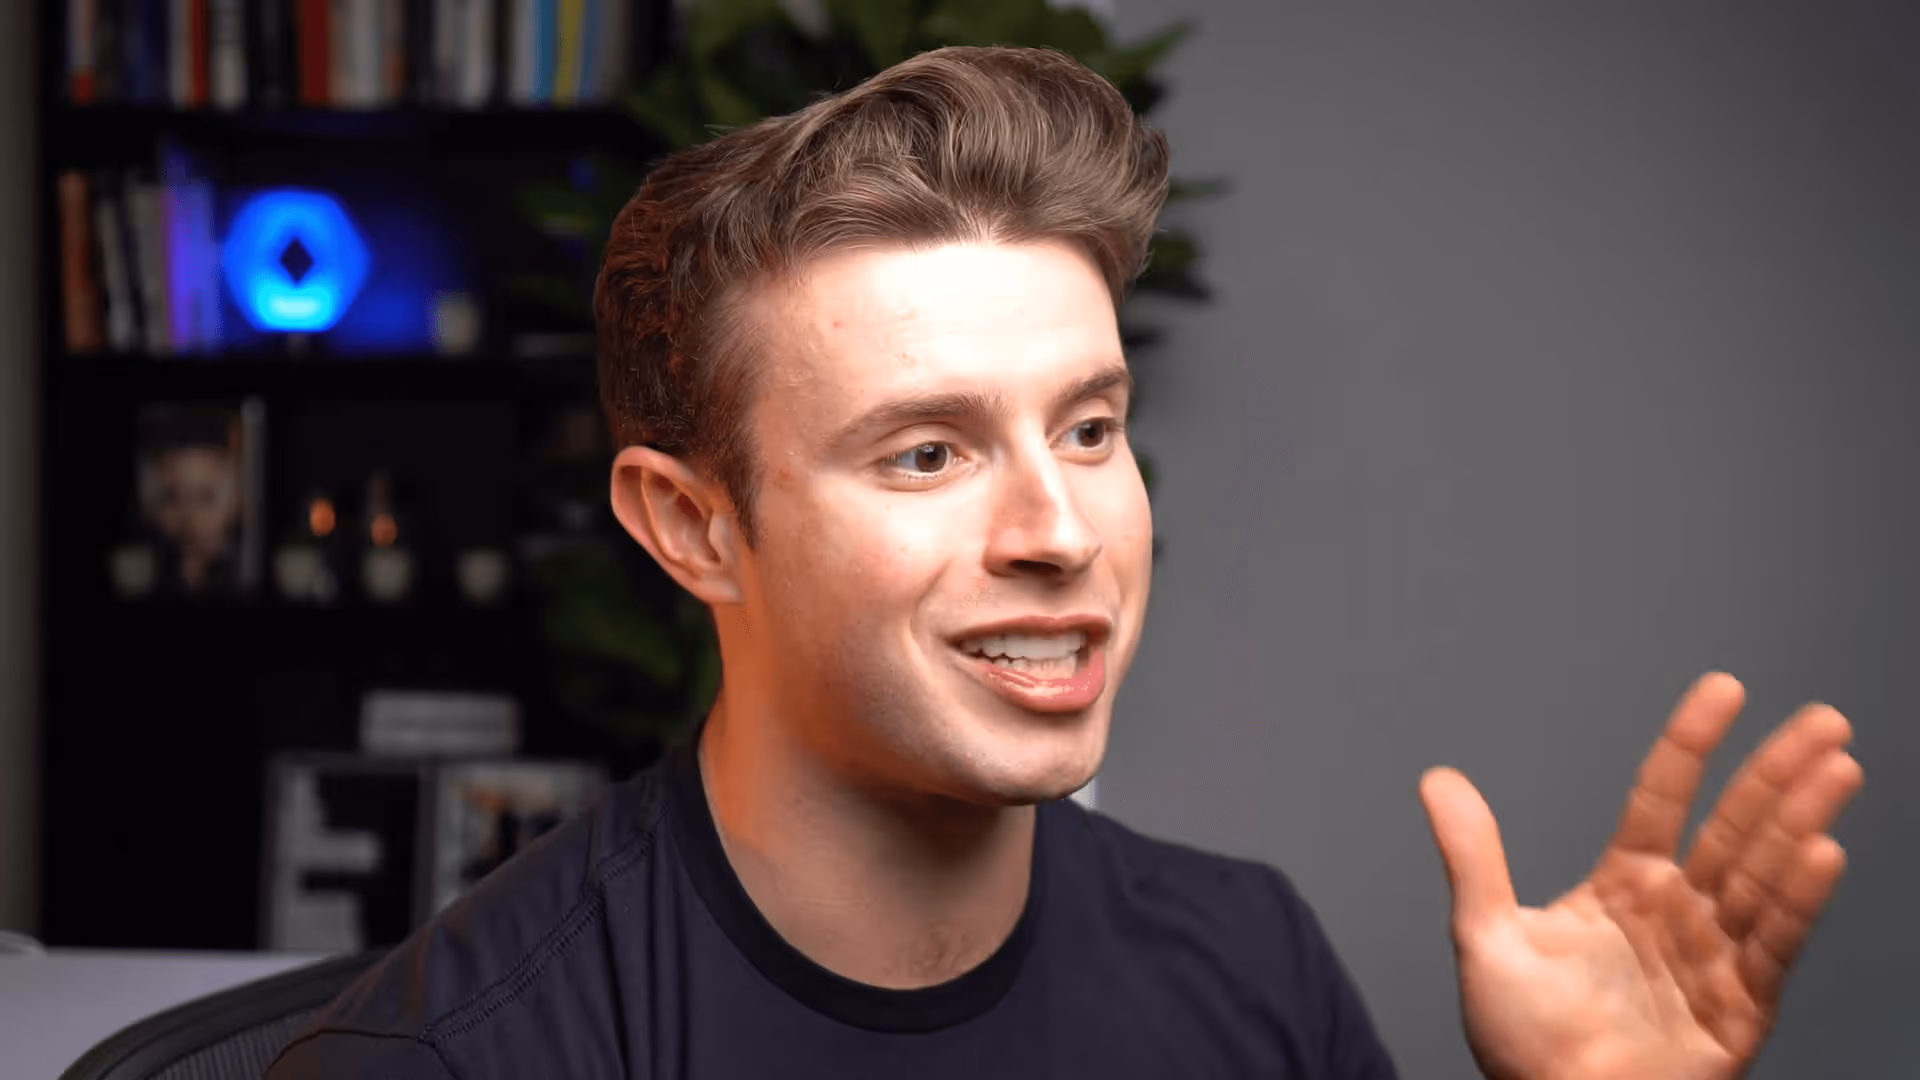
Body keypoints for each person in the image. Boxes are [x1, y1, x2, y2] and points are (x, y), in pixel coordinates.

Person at [267, 47, 1864, 1079]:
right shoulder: (464, 1059)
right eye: (928, 451)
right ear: (693, 527)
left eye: (1090, 428)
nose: (1060, 531)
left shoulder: (1248, 963)